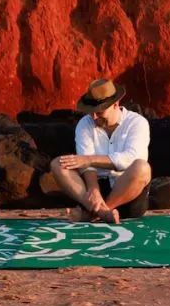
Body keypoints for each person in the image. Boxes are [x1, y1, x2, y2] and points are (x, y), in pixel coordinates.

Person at [50, 79, 152, 223]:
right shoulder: (85, 123)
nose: (94, 117)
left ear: (115, 105)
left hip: (127, 194)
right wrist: (94, 189)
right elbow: (86, 163)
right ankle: (103, 213)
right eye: (91, 112)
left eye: (99, 112)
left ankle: (93, 214)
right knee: (57, 164)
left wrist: (90, 159)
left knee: (142, 168)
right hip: (95, 193)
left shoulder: (137, 123)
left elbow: (130, 158)